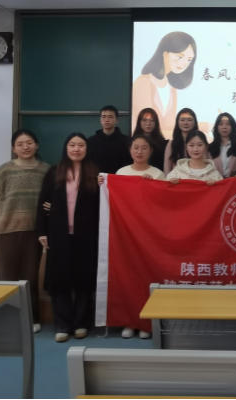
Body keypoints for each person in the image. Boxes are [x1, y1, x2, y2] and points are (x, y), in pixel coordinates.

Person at [99, 134, 165, 340]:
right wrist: (104, 183)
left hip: (149, 235)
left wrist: (151, 186)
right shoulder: (121, 173)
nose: (139, 151)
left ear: (150, 151)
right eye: (135, 147)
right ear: (129, 150)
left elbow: (163, 205)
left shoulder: (158, 174)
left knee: (147, 277)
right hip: (126, 235)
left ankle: (146, 323)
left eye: (144, 148)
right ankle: (129, 321)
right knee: (128, 278)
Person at [37, 133, 99, 343]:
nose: (76, 149)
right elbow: (43, 202)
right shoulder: (54, 172)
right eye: (72, 145)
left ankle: (81, 323)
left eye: (81, 145)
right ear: (66, 148)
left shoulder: (95, 173)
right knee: (59, 280)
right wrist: (42, 231)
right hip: (59, 234)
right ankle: (62, 324)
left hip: (87, 235)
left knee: (84, 280)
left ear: (87, 149)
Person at [0, 129, 50, 333]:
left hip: (34, 231)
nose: (25, 147)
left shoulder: (46, 170)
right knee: (6, 276)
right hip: (6, 230)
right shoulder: (4, 170)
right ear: (14, 148)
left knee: (30, 276)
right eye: (20, 144)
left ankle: (32, 318)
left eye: (29, 142)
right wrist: (8, 213)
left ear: (36, 145)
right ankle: (8, 320)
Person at [132, 32, 197, 137]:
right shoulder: (144, 82)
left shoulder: (171, 87)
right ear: (165, 53)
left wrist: (207, 126)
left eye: (189, 60)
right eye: (180, 57)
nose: (184, 63)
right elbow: (147, 127)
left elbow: (167, 124)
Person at [86, 105, 131, 174]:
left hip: (119, 178)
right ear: (100, 119)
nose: (106, 120)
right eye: (103, 117)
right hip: (96, 179)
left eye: (110, 117)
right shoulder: (91, 141)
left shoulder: (127, 141)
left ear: (117, 120)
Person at [208, 113, 236, 177]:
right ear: (216, 127)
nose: (224, 127)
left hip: (234, 181)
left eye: (228, 124)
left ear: (233, 127)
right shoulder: (210, 148)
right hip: (214, 181)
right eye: (221, 124)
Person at [164, 108, 199, 174]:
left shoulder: (200, 143)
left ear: (195, 122)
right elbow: (167, 169)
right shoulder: (171, 144)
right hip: (175, 179)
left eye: (189, 120)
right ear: (177, 122)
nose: (186, 123)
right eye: (182, 120)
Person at [133, 107, 168, 172]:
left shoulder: (163, 144)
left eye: (152, 120)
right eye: (144, 120)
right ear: (139, 122)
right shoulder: (132, 142)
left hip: (156, 175)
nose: (148, 123)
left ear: (156, 123)